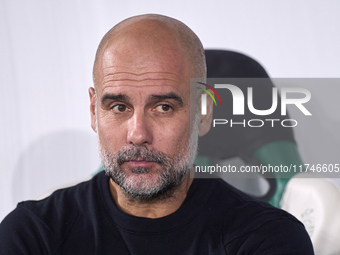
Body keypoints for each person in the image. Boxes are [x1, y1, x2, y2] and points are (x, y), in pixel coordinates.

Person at [0, 14, 313, 254]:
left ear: (203, 113)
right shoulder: (33, 235)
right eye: (119, 107)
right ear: (94, 111)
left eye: (163, 107)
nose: (138, 135)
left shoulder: (267, 238)